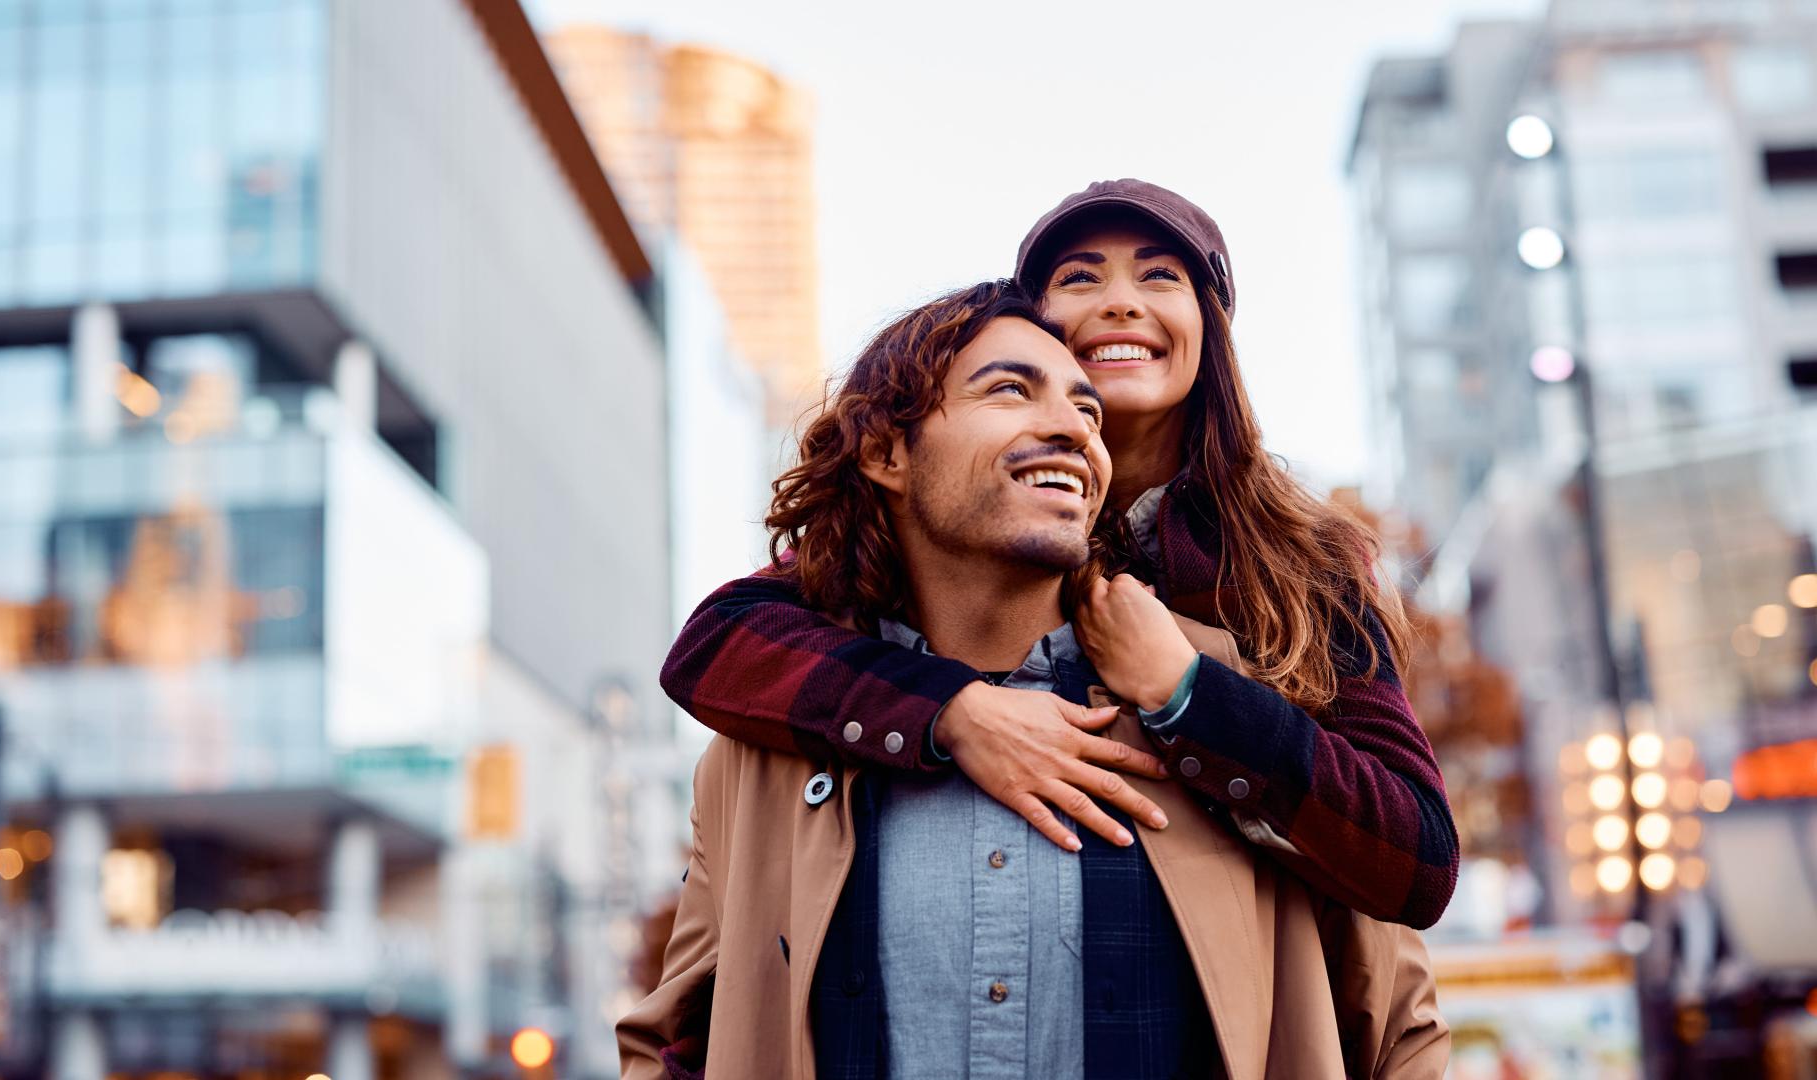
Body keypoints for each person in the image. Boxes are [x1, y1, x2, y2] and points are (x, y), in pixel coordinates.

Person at [617, 280, 1447, 1079]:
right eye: (1011, 391)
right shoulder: (761, 754)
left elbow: (1396, 1029)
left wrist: (1194, 696)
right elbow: (676, 1041)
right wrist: (949, 713)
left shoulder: (1226, 700)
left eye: (1088, 409)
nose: (1077, 431)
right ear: (885, 451)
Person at [661, 179, 1458, 928]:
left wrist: (1188, 691)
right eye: (1080, 279)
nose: (1120, 303)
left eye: (1159, 277)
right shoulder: (956, 529)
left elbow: (1416, 856)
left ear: (1207, 325)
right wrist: (953, 710)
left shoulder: (1303, 557)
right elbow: (720, 642)